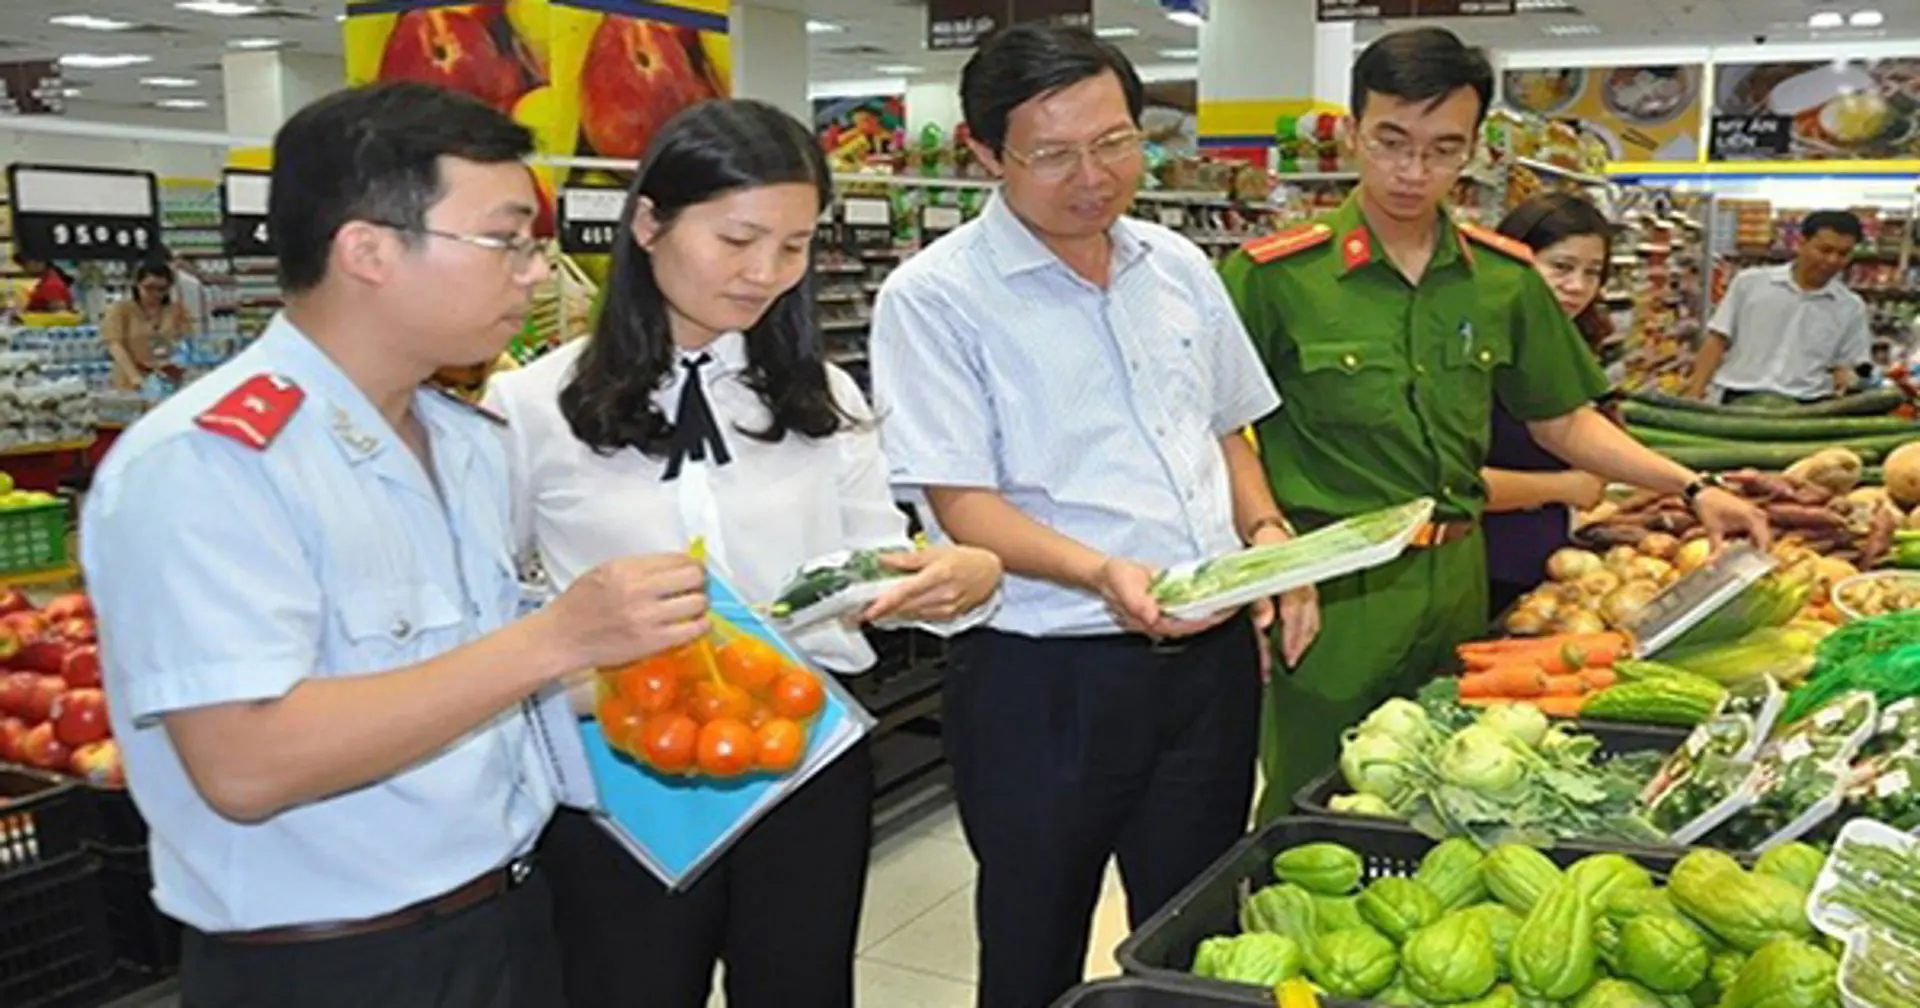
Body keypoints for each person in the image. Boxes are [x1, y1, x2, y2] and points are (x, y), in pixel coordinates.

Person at [81, 81, 711, 1008]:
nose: (535, 272)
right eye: (504, 240)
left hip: (509, 917)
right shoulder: (209, 465)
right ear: (368, 250)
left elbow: (460, 679)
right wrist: (556, 640)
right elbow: (247, 766)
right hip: (332, 964)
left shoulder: (466, 442)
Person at [486, 99, 1003, 1008]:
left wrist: (949, 575)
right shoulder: (533, 408)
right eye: (737, 239)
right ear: (648, 223)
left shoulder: (820, 393)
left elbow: (869, 557)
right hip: (626, 775)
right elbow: (495, 607)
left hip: (801, 755)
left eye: (795, 246)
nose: (766, 272)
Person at [870, 24, 1319, 1008]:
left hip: (1206, 672)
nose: (1096, 176)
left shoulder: (1176, 265)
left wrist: (1269, 536)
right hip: (1046, 680)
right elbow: (962, 505)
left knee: (1194, 934)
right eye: (1055, 153)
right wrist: (1099, 572)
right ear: (987, 154)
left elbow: (1227, 429)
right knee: (1034, 938)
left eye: (1116, 142)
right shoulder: (935, 298)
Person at [1218, 26, 1771, 822]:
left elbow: (1564, 420)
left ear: (1474, 149)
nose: (1414, 172)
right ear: (1351, 132)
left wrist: (1692, 486)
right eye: (1392, 142)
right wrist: (1264, 541)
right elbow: (1221, 424)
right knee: (1312, 801)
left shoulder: (1502, 280)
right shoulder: (1274, 277)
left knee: (1452, 791)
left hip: (1459, 583)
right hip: (1332, 591)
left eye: (1443, 149)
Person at [1482, 193, 1615, 617]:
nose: (1577, 286)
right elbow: (1450, 483)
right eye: (1560, 267)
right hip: (1483, 566)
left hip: (1543, 564)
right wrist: (1564, 487)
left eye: (1592, 273)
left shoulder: (1566, 343)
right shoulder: (1481, 350)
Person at [1684, 210, 1871, 404]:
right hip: (1738, 396)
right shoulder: (1750, 283)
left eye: (1843, 254)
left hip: (1806, 406)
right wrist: (1694, 393)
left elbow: (1846, 365)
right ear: (1802, 243)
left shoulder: (1851, 307)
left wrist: (1848, 381)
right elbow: (1717, 340)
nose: (1832, 260)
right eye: (1825, 250)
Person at [101, 260, 192, 390]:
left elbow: (187, 341)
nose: (155, 294)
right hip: (131, 380)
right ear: (137, 285)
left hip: (168, 379)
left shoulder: (176, 310)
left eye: (162, 289)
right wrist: (134, 377)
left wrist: (178, 363)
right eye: (149, 288)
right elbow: (114, 344)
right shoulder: (121, 309)